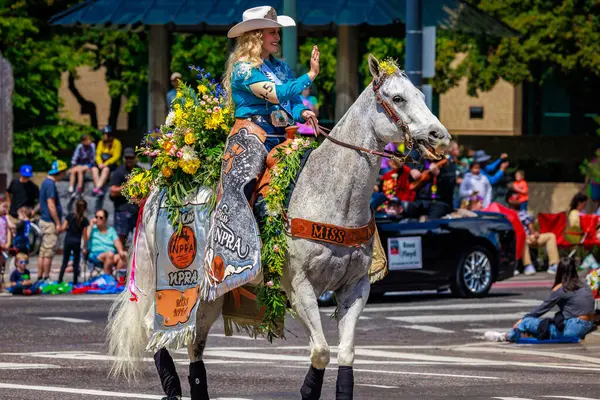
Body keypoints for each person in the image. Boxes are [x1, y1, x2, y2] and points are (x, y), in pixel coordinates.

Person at [223, 6, 319, 153]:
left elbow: (293, 101)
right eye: (272, 32)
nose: (278, 38)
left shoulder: (282, 67)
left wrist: (302, 112)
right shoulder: (243, 69)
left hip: (283, 137)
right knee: (251, 175)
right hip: (252, 141)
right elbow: (276, 95)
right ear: (256, 36)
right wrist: (310, 75)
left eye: (278, 33)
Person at [485, 258, 595, 342]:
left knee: (527, 323)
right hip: (587, 325)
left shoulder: (561, 288)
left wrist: (523, 320)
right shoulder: (584, 284)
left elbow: (542, 308)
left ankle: (505, 336)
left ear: (560, 271)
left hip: (572, 328)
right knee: (548, 324)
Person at [38, 160, 67, 282]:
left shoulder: (45, 182)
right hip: (50, 223)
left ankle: (40, 277)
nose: (64, 175)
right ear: (59, 172)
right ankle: (45, 277)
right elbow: (51, 205)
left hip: (44, 220)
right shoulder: (50, 184)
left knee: (43, 251)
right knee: (48, 252)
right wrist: (58, 223)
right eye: (64, 172)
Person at [515, 203, 559, 275]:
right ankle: (528, 265)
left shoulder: (524, 213)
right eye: (516, 198)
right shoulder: (507, 213)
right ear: (509, 199)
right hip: (520, 239)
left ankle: (553, 265)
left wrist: (535, 234)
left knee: (551, 236)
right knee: (522, 238)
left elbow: (530, 227)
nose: (519, 200)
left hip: (530, 238)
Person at [110, 147, 140, 246]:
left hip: (137, 210)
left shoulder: (140, 171)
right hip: (122, 210)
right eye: (127, 157)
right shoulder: (119, 172)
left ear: (135, 158)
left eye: (131, 157)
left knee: (139, 239)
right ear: (124, 158)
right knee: (121, 238)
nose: (129, 160)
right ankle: (120, 259)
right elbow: (113, 191)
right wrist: (127, 187)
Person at [58, 199, 89, 285]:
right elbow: (85, 235)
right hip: (77, 242)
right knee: (76, 262)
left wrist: (58, 229)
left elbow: (63, 228)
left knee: (65, 261)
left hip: (68, 240)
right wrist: (85, 247)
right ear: (85, 209)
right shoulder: (84, 220)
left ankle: (60, 280)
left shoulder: (70, 216)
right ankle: (75, 282)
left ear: (76, 207)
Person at [86, 209, 126, 275]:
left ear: (105, 219)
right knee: (110, 254)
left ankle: (118, 279)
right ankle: (107, 279)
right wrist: (91, 225)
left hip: (110, 255)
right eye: (96, 217)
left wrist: (121, 252)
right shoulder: (92, 229)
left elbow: (117, 241)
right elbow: (87, 237)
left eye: (101, 217)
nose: (98, 219)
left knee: (122, 256)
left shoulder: (111, 230)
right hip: (96, 254)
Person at [6, 164, 39, 232]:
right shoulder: (14, 182)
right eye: (24, 176)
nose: (26, 178)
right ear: (21, 174)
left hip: (26, 216)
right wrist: (9, 203)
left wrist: (34, 211)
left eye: (28, 176)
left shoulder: (33, 187)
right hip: (13, 214)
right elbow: (8, 192)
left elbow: (41, 201)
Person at [91, 126, 122, 197]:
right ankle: (98, 189)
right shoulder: (100, 142)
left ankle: (97, 188)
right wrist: (99, 163)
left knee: (106, 169)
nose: (103, 136)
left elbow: (116, 156)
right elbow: (98, 154)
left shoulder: (116, 142)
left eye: (104, 134)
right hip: (101, 163)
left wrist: (105, 164)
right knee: (94, 169)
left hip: (112, 164)